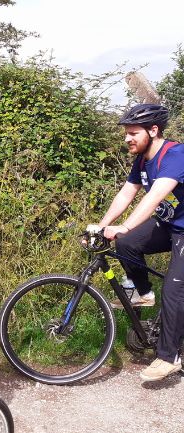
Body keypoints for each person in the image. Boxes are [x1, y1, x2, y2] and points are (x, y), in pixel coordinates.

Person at [95, 103, 184, 381]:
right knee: (128, 243)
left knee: (174, 291)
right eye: (126, 133)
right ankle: (144, 293)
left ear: (153, 130)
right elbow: (126, 193)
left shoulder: (176, 155)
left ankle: (169, 357)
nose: (127, 139)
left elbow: (154, 197)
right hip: (169, 225)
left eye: (133, 132)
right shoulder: (143, 160)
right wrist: (102, 226)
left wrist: (124, 225)